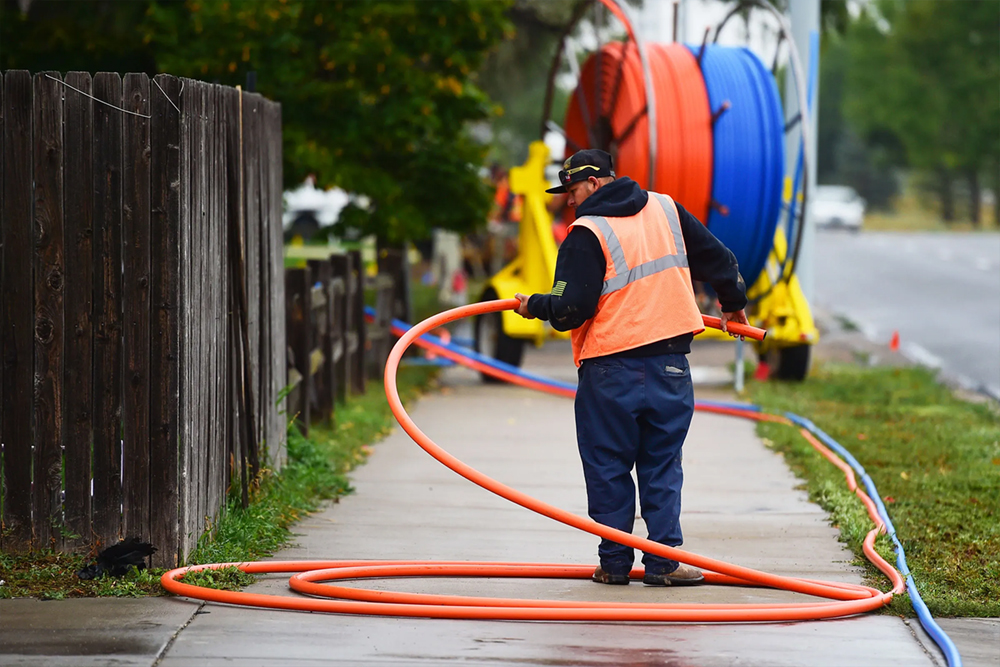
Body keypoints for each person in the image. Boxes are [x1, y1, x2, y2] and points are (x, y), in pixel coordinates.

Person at [513, 149, 748, 587]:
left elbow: (570, 310)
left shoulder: (585, 233)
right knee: (662, 464)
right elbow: (722, 261)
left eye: (573, 189)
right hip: (670, 369)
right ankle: (664, 563)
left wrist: (534, 306)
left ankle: (615, 564)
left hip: (611, 372)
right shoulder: (666, 209)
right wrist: (733, 305)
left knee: (608, 466)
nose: (569, 200)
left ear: (596, 184)